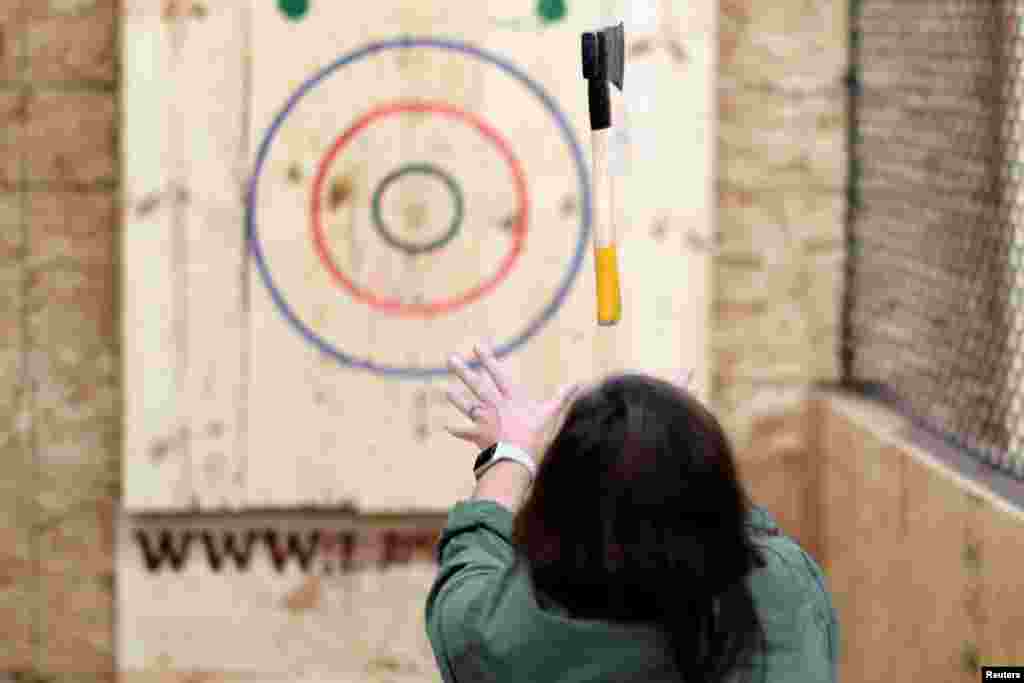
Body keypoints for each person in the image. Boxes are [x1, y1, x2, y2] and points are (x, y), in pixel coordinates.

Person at [425, 343, 839, 683]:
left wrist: (512, 454)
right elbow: (733, 524)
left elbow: (469, 567)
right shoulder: (783, 594)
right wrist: (671, 440)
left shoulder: (498, 637)